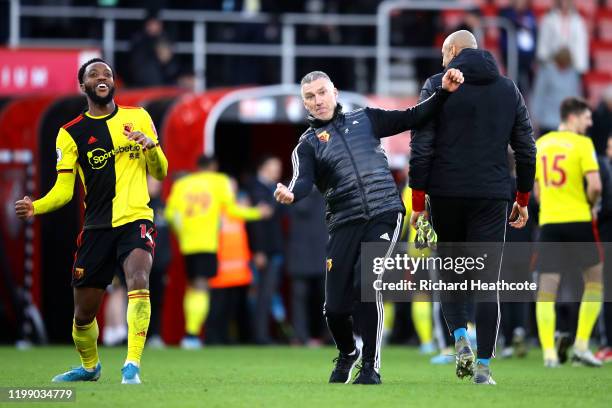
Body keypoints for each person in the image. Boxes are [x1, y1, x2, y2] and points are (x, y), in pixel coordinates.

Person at [274, 68, 464, 384]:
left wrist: (442, 92)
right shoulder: (306, 145)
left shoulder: (367, 119)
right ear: (304, 104)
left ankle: (371, 368)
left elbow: (413, 116)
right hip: (343, 222)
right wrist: (291, 193)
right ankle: (348, 351)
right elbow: (302, 180)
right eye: (310, 96)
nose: (317, 100)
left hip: (385, 212)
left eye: (322, 92)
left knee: (367, 282)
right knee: (334, 309)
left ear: (334, 92)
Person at [14, 58, 168, 384]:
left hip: (136, 218)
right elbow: (63, 191)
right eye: (94, 74)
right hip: (97, 227)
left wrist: (150, 147)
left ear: (114, 83)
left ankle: (132, 365)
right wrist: (36, 207)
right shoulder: (70, 134)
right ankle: (90, 367)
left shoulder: (138, 117)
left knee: (139, 278)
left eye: (107, 74)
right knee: (83, 315)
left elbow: (160, 171)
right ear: (82, 86)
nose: (102, 78)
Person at [409, 30, 536, 385]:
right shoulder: (508, 88)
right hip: (492, 195)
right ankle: (483, 367)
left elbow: (421, 146)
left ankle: (460, 339)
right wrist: (522, 198)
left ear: (451, 51)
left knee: (452, 276)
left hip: (446, 194)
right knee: (486, 283)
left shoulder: (437, 84)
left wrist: (418, 202)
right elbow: (526, 148)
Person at [164, 155, 270, 349]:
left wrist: (181, 233)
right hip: (207, 243)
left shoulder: (183, 184)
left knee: (192, 286)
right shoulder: (219, 181)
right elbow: (232, 210)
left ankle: (190, 334)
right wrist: (257, 212)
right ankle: (192, 334)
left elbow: (170, 213)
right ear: (213, 166)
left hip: (187, 244)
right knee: (202, 286)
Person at [534, 97, 604, 368]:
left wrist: (551, 205)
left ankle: (549, 354)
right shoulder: (583, 144)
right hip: (579, 220)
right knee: (595, 281)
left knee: (547, 290)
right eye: (587, 118)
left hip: (550, 223)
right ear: (573, 117)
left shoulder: (541, 144)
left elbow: (536, 190)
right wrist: (589, 202)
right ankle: (582, 346)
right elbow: (596, 185)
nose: (590, 123)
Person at [247, 155, 288, 344]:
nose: (277, 171)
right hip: (264, 251)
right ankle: (260, 336)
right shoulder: (255, 188)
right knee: (262, 294)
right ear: (263, 168)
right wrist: (258, 250)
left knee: (269, 294)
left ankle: (264, 334)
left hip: (274, 249)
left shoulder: (273, 188)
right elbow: (256, 224)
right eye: (273, 166)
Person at [531, 47, 581, 136]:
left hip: (566, 123)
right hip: (547, 121)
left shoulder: (573, 74)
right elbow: (538, 95)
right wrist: (534, 117)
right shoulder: (546, 72)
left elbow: (576, 97)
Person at [536, 0, 589, 74]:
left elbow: (580, 47)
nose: (564, 3)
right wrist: (544, 62)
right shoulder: (548, 19)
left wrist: (580, 69)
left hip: (571, 68)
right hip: (551, 67)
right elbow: (543, 45)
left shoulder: (578, 22)